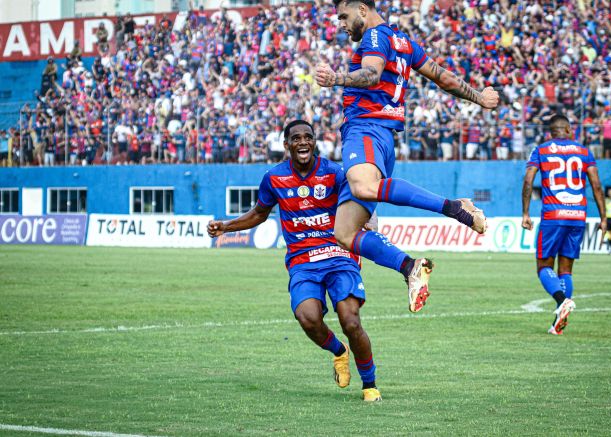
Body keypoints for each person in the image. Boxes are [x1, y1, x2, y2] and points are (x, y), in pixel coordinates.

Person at [315, 0, 499, 312]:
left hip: (367, 129)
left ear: (362, 9)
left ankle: (454, 207)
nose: (342, 25)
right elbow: (442, 77)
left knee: (362, 187)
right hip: (378, 136)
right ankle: (410, 268)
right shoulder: (404, 43)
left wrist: (337, 79)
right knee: (345, 232)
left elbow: (371, 74)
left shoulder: (374, 37)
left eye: (344, 17)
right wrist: (479, 97)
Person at [207, 120, 382, 402]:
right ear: (286, 145)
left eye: (308, 137)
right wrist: (226, 227)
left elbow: (360, 197)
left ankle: (370, 385)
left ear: (314, 142)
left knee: (350, 321)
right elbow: (259, 214)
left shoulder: (334, 173)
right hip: (302, 260)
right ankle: (339, 351)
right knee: (307, 318)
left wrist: (370, 221)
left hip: (339, 254)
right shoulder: (274, 178)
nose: (303, 142)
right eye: (296, 138)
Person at [521, 114, 607, 335]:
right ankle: (559, 318)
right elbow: (596, 185)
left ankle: (561, 301)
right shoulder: (584, 152)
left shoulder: (541, 150)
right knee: (566, 270)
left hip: (553, 214)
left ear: (551, 132)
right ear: (569, 130)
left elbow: (529, 180)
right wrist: (604, 217)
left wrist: (525, 213)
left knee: (544, 266)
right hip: (578, 215)